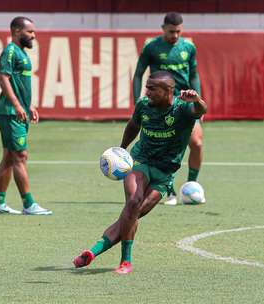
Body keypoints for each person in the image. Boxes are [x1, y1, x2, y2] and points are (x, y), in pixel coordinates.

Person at [73, 71, 207, 274]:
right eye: (147, 86)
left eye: (153, 88)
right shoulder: (143, 105)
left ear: (168, 91)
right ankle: (125, 261)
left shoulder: (183, 109)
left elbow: (201, 110)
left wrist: (196, 99)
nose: (148, 91)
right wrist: (121, 150)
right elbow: (133, 125)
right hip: (140, 161)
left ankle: (93, 252)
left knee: (136, 212)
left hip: (165, 172)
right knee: (133, 202)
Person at [133, 12, 203, 205]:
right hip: (161, 105)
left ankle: (191, 185)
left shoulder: (188, 47)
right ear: (163, 28)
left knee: (196, 143)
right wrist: (135, 101)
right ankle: (169, 190)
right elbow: (138, 74)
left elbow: (195, 75)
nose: (175, 35)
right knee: (164, 146)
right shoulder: (152, 47)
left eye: (179, 31)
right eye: (171, 31)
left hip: (184, 104)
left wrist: (198, 99)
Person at [0, 16, 52, 215]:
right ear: (17, 31)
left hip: (17, 111)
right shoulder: (10, 51)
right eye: (30, 31)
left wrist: (28, 105)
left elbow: (19, 84)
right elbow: (3, 79)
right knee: (20, 156)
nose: (33, 35)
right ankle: (29, 204)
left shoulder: (21, 53)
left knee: (9, 156)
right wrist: (17, 105)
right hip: (9, 112)